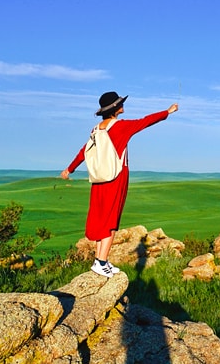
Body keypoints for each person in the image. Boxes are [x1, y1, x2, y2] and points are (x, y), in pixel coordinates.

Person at [61, 91, 178, 278]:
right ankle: (101, 262)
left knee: (101, 218)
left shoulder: (96, 129)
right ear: (115, 108)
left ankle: (100, 260)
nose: (123, 105)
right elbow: (146, 121)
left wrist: (69, 169)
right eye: (120, 103)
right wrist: (168, 111)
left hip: (99, 178)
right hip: (116, 177)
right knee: (111, 220)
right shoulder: (121, 127)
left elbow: (84, 151)